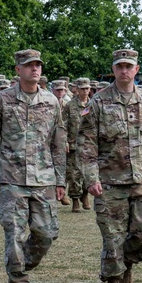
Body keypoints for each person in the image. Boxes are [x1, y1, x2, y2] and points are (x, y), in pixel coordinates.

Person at [79, 49, 142, 283]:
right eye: (120, 67)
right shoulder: (98, 103)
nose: (124, 71)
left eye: (129, 66)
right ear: (113, 70)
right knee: (113, 237)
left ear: (136, 70)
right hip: (109, 182)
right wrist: (91, 178)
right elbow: (86, 145)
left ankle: (127, 265)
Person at [0, 49, 66, 283]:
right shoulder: (1, 101)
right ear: (18, 70)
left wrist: (60, 180)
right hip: (11, 178)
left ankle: (16, 264)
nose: (34, 69)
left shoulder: (52, 102)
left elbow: (59, 144)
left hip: (43, 178)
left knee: (47, 233)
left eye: (38, 65)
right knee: (14, 235)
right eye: (29, 65)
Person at [64, 77, 92, 213]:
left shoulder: (92, 105)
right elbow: (63, 125)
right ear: (77, 89)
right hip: (74, 145)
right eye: (82, 89)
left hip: (89, 145)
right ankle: (75, 200)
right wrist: (64, 141)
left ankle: (85, 196)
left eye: (87, 88)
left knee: (89, 174)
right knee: (74, 175)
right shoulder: (70, 106)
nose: (85, 91)